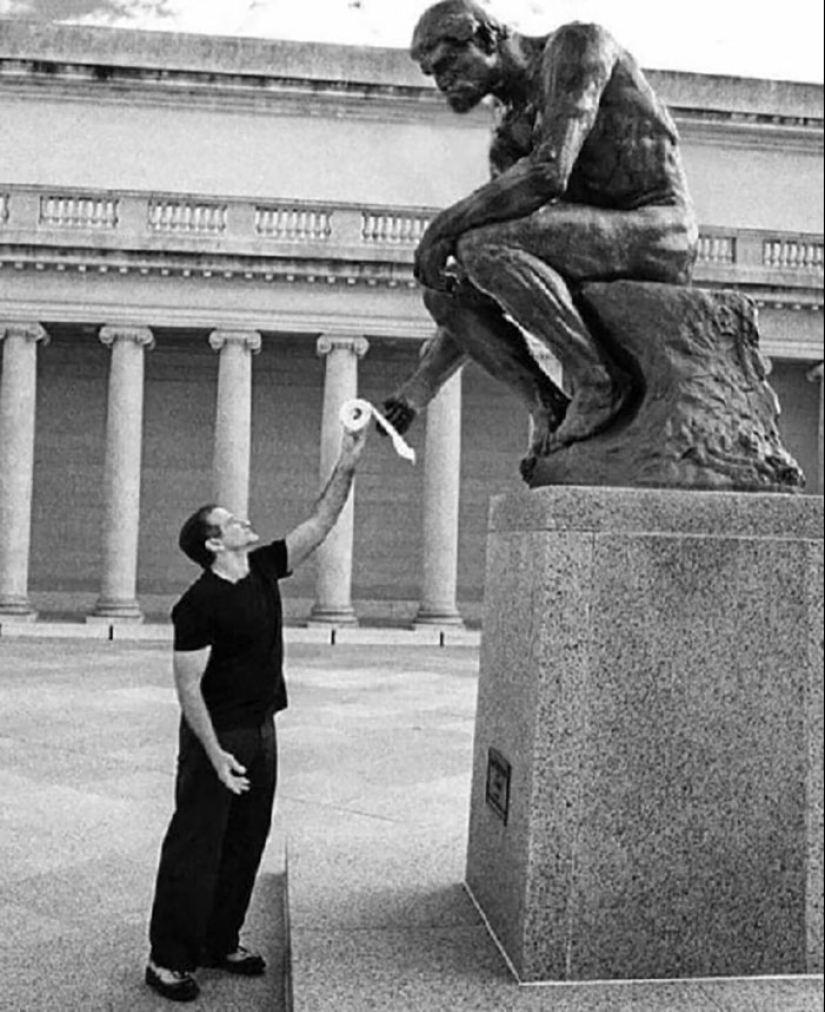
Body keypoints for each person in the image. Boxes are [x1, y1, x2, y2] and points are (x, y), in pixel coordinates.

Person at [383, 0, 699, 475]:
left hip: (657, 228)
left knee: (475, 244)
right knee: (446, 290)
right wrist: (417, 390)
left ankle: (599, 382)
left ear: (488, 38)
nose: (443, 81)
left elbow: (551, 169)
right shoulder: (509, 135)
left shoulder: (576, 46)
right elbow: (483, 266)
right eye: (433, 74)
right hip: (590, 240)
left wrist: (441, 230)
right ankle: (549, 406)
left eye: (448, 63)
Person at [145, 423, 368, 1002]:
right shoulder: (196, 605)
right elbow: (188, 687)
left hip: (261, 730)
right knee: (196, 845)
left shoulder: (266, 566)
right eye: (231, 522)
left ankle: (219, 940)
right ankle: (167, 959)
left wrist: (346, 463)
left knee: (246, 840)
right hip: (215, 740)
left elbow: (318, 524)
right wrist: (215, 755)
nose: (244, 521)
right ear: (215, 544)